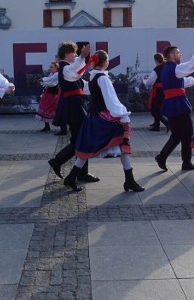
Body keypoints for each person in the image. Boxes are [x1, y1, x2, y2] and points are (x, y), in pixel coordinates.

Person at [62, 50, 144, 192]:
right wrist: (123, 115)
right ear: (106, 62)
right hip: (105, 117)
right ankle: (129, 180)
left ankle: (72, 176)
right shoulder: (102, 78)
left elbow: (91, 91)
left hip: (95, 116)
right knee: (122, 143)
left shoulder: (94, 77)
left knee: (89, 147)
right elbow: (111, 100)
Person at [155, 37, 194, 171]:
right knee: (186, 133)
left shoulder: (169, 69)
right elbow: (191, 65)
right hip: (178, 103)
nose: (180, 54)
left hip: (173, 103)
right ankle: (184, 162)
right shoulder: (173, 68)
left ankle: (164, 157)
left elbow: (182, 81)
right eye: (178, 52)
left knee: (178, 134)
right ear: (171, 55)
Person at [47, 41, 99, 183]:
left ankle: (73, 168)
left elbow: (81, 84)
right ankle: (63, 163)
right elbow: (75, 74)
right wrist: (82, 57)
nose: (75, 55)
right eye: (74, 52)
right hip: (73, 106)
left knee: (80, 139)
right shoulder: (65, 68)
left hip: (75, 105)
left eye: (76, 53)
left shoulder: (68, 68)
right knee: (81, 139)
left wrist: (99, 85)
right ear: (67, 53)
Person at [143, 53, 169, 132]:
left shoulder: (157, 69)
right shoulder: (166, 67)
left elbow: (150, 82)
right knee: (157, 108)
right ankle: (156, 124)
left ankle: (166, 124)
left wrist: (145, 80)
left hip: (158, 91)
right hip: (165, 90)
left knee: (155, 109)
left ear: (156, 60)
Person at [35, 61, 60, 131]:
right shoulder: (52, 74)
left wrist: (43, 79)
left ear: (56, 68)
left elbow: (51, 81)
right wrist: (43, 81)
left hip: (54, 94)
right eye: (50, 67)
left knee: (55, 110)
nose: (50, 68)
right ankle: (47, 126)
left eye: (51, 67)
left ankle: (62, 127)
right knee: (45, 109)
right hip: (48, 94)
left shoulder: (57, 74)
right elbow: (48, 81)